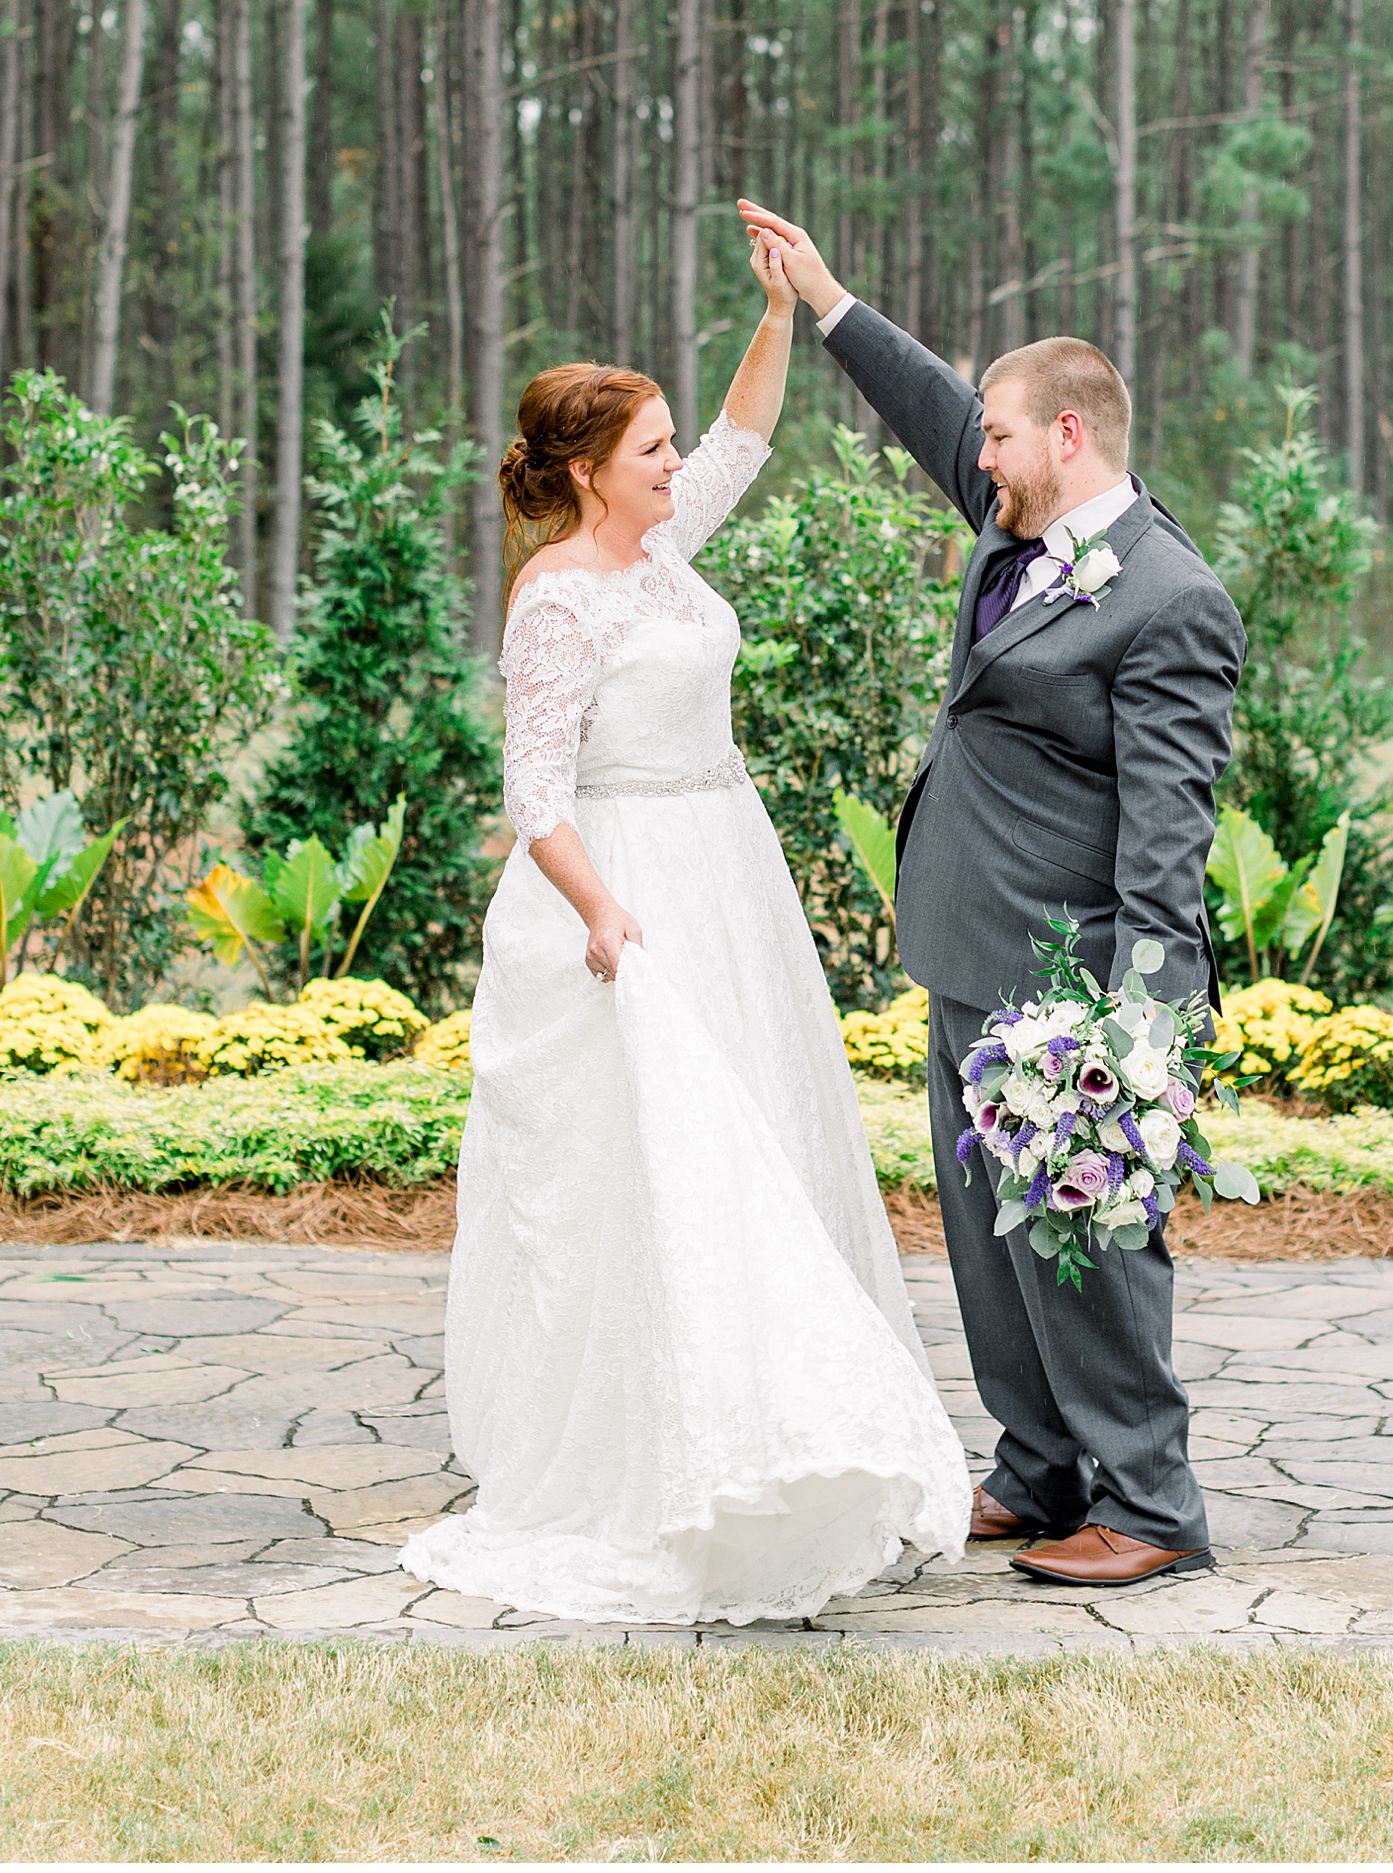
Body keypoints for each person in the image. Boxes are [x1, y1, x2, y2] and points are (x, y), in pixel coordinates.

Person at [399, 231, 970, 1628]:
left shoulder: (664, 546)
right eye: (649, 448)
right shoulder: (560, 595)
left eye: (667, 443)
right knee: (654, 1168)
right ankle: (651, 1456)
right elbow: (534, 790)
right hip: (625, 886)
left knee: (756, 1136)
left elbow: (747, 431)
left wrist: (780, 310)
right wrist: (604, 916)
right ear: (588, 469)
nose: (673, 462)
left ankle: (772, 1420)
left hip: (729, 870)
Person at [737, 196, 1244, 1593]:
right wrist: (830, 300)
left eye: (1003, 435)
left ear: (1068, 436)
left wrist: (1141, 1034)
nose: (981, 453)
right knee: (993, 1244)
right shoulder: (1022, 531)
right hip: (970, 958)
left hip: (1073, 983)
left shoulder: (1167, 599)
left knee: (1087, 1242)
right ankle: (1040, 1468)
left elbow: (1167, 834)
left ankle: (1149, 1502)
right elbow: (931, 406)